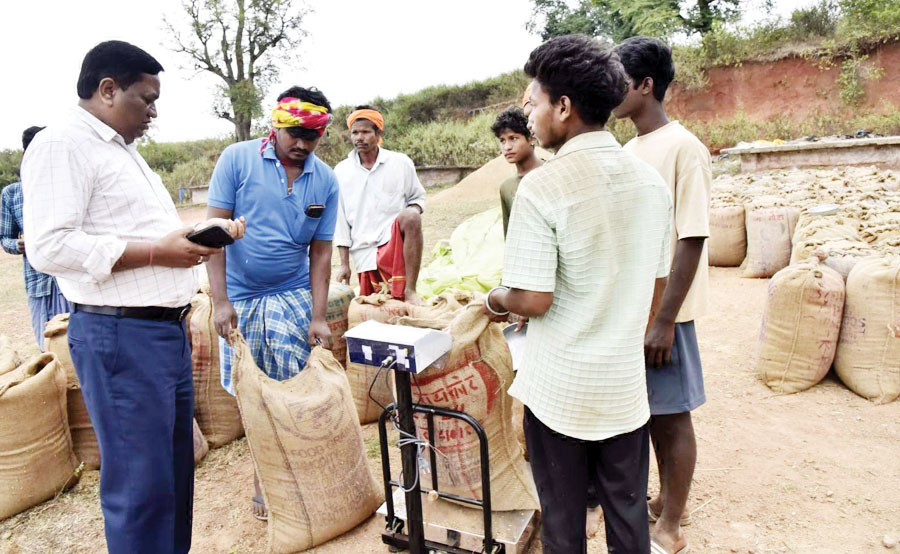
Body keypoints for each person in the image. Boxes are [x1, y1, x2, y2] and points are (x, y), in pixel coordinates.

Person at [21, 40, 243, 554]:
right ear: (107, 90)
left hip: (163, 332)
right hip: (120, 335)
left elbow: (144, 231)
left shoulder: (122, 152)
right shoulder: (62, 144)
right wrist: (154, 254)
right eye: (147, 99)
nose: (153, 111)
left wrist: (197, 235)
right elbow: (49, 247)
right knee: (140, 488)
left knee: (172, 473)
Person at [483, 35, 672, 554]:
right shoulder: (650, 183)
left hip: (560, 391)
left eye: (535, 104)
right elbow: (657, 285)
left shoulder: (541, 188)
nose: (531, 117)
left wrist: (495, 300)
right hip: (623, 389)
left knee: (564, 521)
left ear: (563, 107)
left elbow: (532, 299)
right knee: (627, 514)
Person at [206, 86, 338, 520]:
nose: (301, 143)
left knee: (299, 392)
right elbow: (214, 236)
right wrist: (220, 301)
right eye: (294, 133)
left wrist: (318, 316)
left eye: (312, 136)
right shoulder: (237, 160)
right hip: (243, 301)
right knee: (256, 396)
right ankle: (266, 481)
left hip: (294, 297)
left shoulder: (326, 180)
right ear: (275, 126)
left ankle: (304, 475)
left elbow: (321, 251)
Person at [612, 35, 711, 554]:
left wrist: (664, 319)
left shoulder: (683, 148)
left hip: (668, 312)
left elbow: (691, 237)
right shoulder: (629, 149)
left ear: (645, 86)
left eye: (619, 78)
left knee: (673, 416)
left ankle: (670, 524)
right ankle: (669, 500)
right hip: (638, 307)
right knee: (650, 410)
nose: (610, 89)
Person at [333, 106, 426, 304]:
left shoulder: (401, 163)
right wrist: (343, 264)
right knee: (376, 307)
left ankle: (410, 290)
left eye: (366, 132)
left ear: (378, 134)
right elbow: (340, 222)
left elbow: (417, 200)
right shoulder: (340, 172)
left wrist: (410, 218)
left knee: (411, 216)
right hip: (364, 249)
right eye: (355, 133)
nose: (359, 137)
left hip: (395, 244)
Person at [1, 125, 71, 350]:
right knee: (46, 346)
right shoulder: (11, 194)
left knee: (76, 343)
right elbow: (5, 239)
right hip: (37, 282)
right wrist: (19, 245)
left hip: (69, 281)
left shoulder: (64, 188)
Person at [492, 106, 543, 237]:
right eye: (502, 140)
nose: (507, 147)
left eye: (513, 138)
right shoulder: (506, 188)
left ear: (531, 138)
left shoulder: (550, 173)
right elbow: (510, 236)